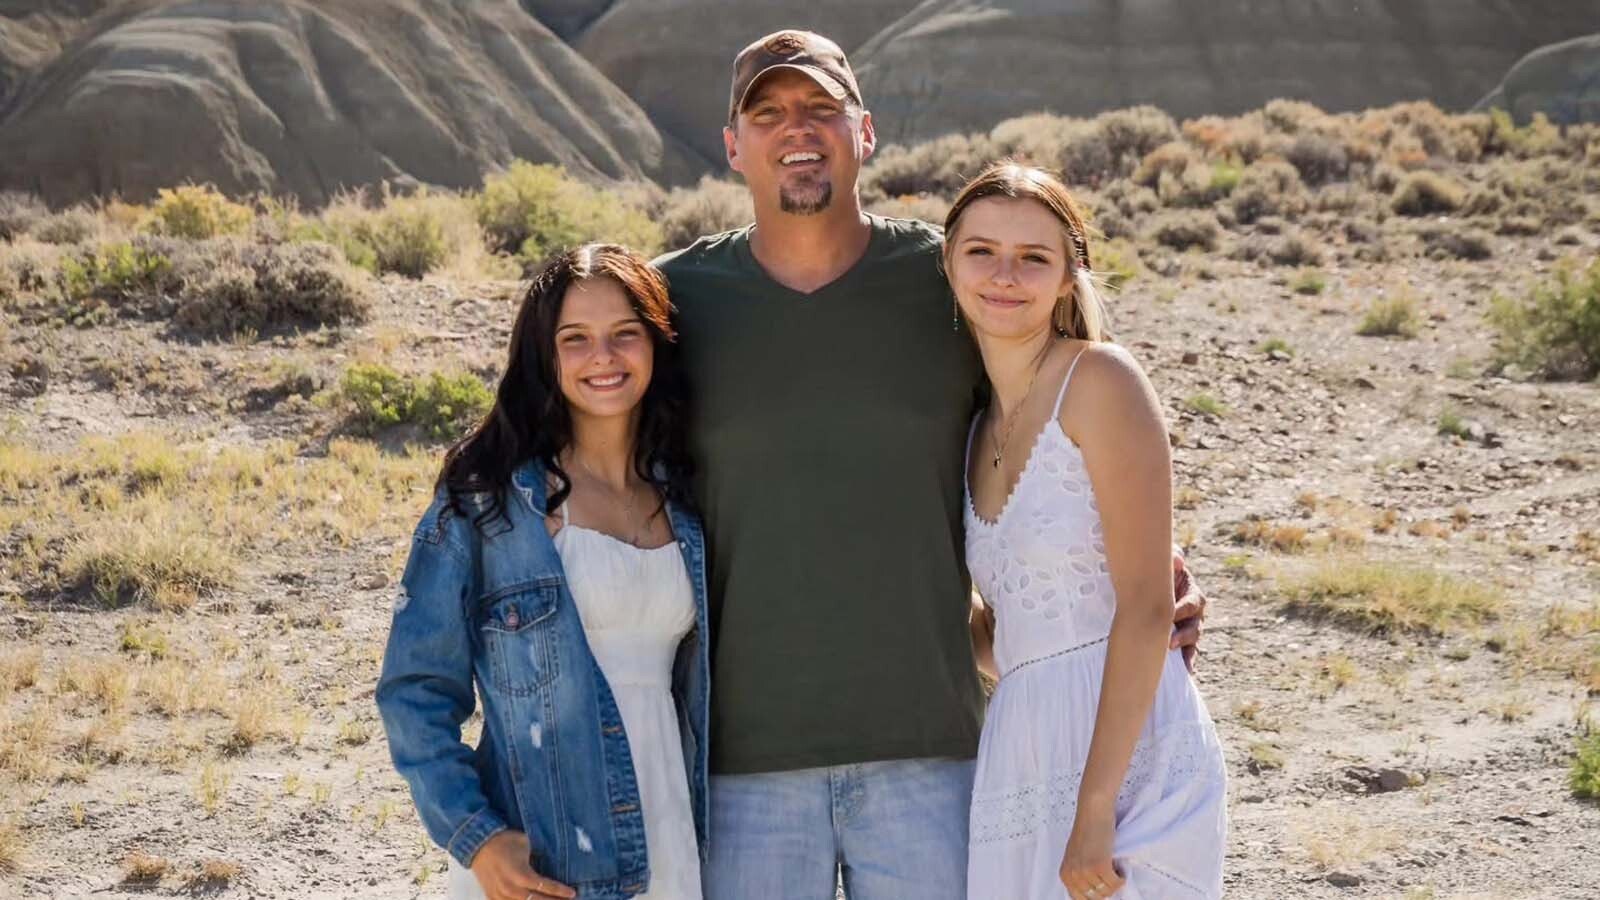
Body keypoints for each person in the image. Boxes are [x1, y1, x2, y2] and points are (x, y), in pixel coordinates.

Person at [653, 30, 1210, 900]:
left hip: (939, 754)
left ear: (864, 131)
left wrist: (1141, 597)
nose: (797, 128)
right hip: (742, 765)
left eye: (821, 109)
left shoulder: (948, 283)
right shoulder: (672, 302)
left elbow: (1064, 435)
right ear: (733, 145)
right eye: (768, 114)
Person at [376, 244, 710, 900]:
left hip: (673, 824)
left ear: (656, 345)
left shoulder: (687, 494)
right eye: (575, 339)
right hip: (545, 852)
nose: (603, 358)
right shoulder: (490, 500)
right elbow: (413, 688)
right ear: (545, 355)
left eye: (625, 335)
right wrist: (476, 836)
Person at [948, 162, 1227, 899]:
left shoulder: (1101, 382)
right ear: (948, 263)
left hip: (1130, 758)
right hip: (1021, 753)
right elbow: (1006, 637)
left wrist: (1095, 808)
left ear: (1069, 276)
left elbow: (1145, 607)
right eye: (981, 251)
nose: (1004, 274)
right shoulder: (972, 430)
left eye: (1033, 257)